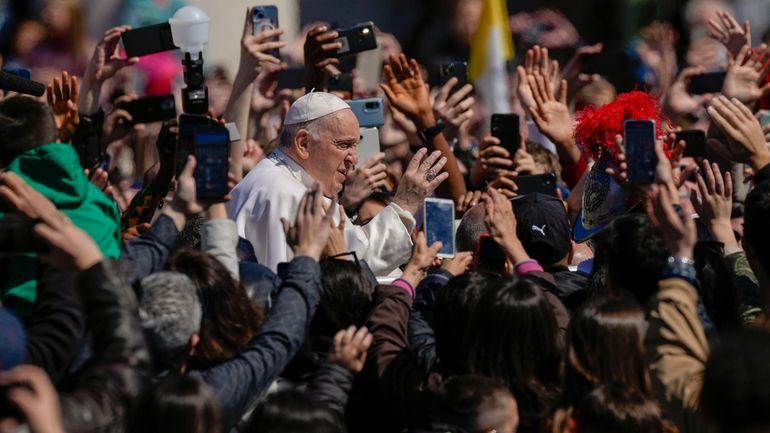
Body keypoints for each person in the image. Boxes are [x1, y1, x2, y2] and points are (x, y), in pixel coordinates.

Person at [227, 90, 448, 276]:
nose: (354, 159)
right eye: (344, 145)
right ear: (303, 143)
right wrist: (405, 203)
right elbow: (356, 265)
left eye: (356, 146)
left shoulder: (274, 178)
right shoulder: (288, 195)